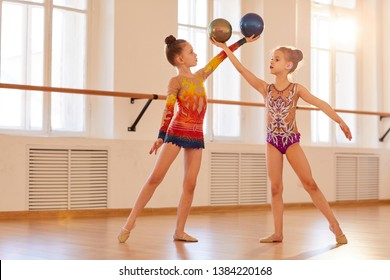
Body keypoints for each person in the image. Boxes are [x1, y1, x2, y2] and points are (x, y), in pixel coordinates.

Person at [211, 36, 351, 245]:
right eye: (271, 59)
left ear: (288, 65)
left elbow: (320, 103)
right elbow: (241, 70)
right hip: (272, 142)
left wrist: (340, 121)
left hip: (291, 141)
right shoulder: (265, 88)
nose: (271, 61)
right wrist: (225, 48)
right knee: (275, 188)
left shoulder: (297, 89)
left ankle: (334, 225)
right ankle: (278, 233)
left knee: (310, 183)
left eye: (276, 59)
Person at [118, 34, 256, 243]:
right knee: (155, 178)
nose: (196, 54)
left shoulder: (200, 76)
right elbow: (169, 107)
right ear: (180, 59)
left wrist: (242, 41)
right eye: (191, 52)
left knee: (190, 184)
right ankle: (130, 222)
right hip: (176, 132)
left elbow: (220, 58)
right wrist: (161, 136)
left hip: (196, 135)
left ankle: (179, 231)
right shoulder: (176, 81)